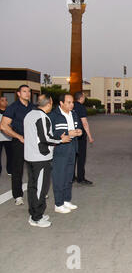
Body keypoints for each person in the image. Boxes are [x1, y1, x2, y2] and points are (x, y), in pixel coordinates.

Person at [24, 95, 71, 227]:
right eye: (52, 102)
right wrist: (61, 140)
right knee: (41, 189)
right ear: (49, 104)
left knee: (33, 187)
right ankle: (37, 218)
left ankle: (34, 214)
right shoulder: (43, 117)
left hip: (30, 157)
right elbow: (45, 138)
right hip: (40, 158)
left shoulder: (29, 115)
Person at [0, 85, 34, 206]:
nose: (27, 93)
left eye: (29, 91)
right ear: (18, 94)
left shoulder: (33, 107)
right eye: (24, 91)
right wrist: (18, 136)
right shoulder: (12, 108)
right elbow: (3, 125)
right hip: (18, 142)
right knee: (17, 170)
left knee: (34, 168)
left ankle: (35, 193)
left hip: (33, 143)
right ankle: (18, 195)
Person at [49, 93, 82, 214]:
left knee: (69, 176)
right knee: (59, 177)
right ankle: (58, 203)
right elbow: (50, 133)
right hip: (60, 148)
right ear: (61, 103)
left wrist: (79, 132)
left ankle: (67, 200)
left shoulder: (73, 114)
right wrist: (68, 133)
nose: (71, 104)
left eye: (72, 102)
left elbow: (79, 127)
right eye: (68, 102)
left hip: (72, 147)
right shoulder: (54, 115)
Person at [73, 92, 94, 185]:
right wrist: (90, 136)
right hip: (80, 136)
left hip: (71, 136)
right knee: (81, 158)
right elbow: (84, 122)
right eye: (84, 97)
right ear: (81, 98)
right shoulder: (81, 107)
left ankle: (71, 177)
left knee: (73, 157)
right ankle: (81, 178)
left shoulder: (71, 106)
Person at [0, 96, 12, 176]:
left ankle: (10, 170)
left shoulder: (10, 112)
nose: (5, 102)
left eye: (6, 100)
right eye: (2, 100)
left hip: (9, 137)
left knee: (10, 155)